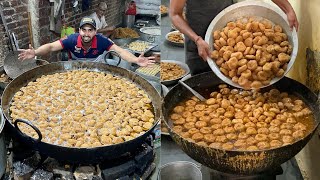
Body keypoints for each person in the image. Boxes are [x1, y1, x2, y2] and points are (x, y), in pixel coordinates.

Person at [170, 0, 299, 75]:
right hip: (198, 46)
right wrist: (197, 39)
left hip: (229, 44)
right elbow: (175, 15)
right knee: (202, 88)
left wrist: (288, 10)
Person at [18, 17, 155, 67]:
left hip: (97, 69)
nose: (86, 33)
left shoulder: (102, 41)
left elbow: (119, 51)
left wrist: (136, 60)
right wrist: (35, 52)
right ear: (79, 30)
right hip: (75, 69)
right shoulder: (72, 39)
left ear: (95, 32)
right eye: (84, 30)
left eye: (90, 30)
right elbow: (51, 46)